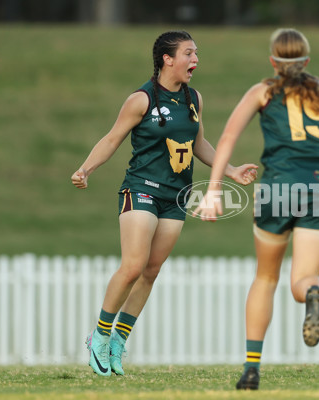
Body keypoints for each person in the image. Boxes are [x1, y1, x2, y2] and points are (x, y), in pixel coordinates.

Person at [194, 28, 319, 390]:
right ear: (306, 61)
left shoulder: (263, 90)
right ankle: (312, 292)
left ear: (273, 62)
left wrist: (214, 191)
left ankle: (251, 368)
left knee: (265, 277)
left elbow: (227, 139)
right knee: (302, 279)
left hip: (279, 189)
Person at [71, 30, 258, 377]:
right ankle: (98, 335)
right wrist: (86, 169)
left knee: (151, 271)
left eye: (196, 53)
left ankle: (118, 342)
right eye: (189, 53)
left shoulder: (194, 99)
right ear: (167, 59)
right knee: (133, 265)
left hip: (176, 197)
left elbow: (200, 143)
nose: (195, 60)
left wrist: (230, 170)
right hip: (141, 189)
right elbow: (112, 139)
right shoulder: (140, 99)